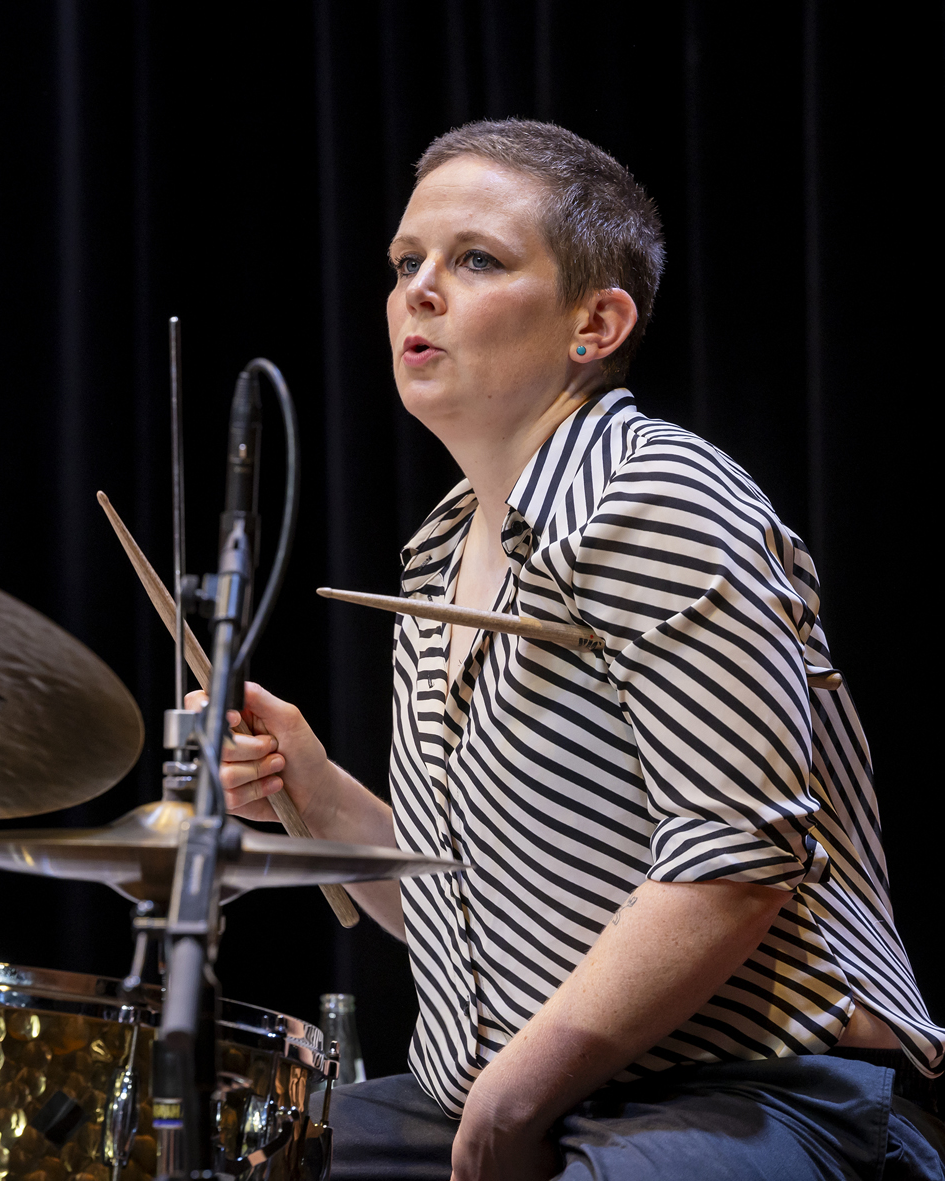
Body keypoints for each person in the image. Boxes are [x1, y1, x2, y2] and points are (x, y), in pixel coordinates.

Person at [196, 120, 945, 1180]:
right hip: (527, 1091)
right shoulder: (438, 550)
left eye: (474, 259)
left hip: (763, 1090)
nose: (418, 290)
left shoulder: (653, 495)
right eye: (405, 262)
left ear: (595, 322)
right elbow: (463, 912)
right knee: (229, 1158)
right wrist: (309, 787)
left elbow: (733, 861)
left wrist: (514, 1096)